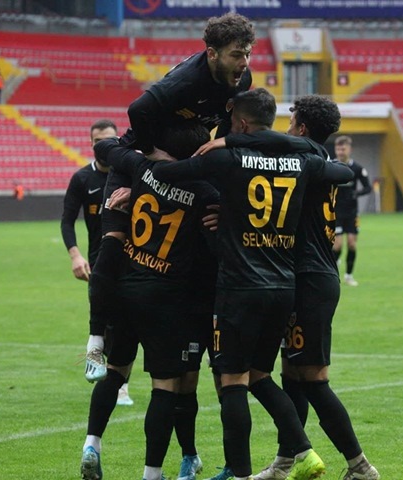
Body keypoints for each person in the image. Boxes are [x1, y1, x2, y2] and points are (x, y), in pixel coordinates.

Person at [152, 88, 354, 480]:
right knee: (267, 376)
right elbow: (343, 173)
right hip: (285, 285)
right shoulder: (302, 160)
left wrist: (150, 159)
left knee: (234, 382)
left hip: (242, 287)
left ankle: (246, 473)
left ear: (241, 124)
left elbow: (166, 175)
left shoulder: (227, 158)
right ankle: (298, 454)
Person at [104, 12, 256, 480]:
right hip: (153, 154)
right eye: (237, 54)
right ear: (211, 54)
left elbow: (230, 123)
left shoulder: (240, 80)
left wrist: (217, 150)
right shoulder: (181, 85)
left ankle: (208, 462)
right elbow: (135, 114)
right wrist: (152, 159)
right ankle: (98, 336)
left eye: (248, 53)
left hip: (189, 165)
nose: (244, 62)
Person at [216, 96, 379, 480]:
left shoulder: (303, 161)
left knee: (314, 379)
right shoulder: (321, 161)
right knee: (292, 376)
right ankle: (287, 460)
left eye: (291, 123)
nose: (285, 129)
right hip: (314, 276)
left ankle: (360, 466)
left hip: (307, 280)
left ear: (302, 129)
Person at [81, 122, 220, 480]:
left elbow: (106, 148)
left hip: (126, 290)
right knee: (165, 387)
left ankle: (92, 443)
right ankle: (152, 473)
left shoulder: (144, 171)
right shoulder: (204, 191)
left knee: (117, 371)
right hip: (165, 299)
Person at [60, 119, 134, 406]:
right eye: (98, 141)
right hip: (97, 263)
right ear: (91, 144)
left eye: (109, 140)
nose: (103, 145)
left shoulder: (128, 174)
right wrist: (75, 255)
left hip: (131, 260)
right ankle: (102, 365)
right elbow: (67, 221)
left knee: (125, 322)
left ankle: (121, 384)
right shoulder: (82, 179)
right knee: (107, 319)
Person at [332, 135, 372, 287]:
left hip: (352, 212)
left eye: (343, 149)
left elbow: (367, 187)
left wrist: (356, 194)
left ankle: (349, 276)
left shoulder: (357, 168)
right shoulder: (331, 166)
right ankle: (333, 272)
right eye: (338, 149)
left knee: (352, 244)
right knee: (337, 245)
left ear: (349, 149)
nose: (340, 152)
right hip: (335, 212)